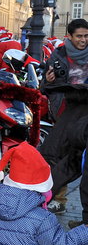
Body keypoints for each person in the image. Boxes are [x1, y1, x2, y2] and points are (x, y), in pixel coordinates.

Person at [39, 18, 88, 220]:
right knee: (55, 154)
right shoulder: (59, 55)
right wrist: (47, 80)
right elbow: (45, 87)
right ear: (69, 36)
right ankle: (54, 199)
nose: (83, 40)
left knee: (77, 159)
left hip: (85, 114)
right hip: (66, 111)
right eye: (79, 36)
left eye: (86, 36)